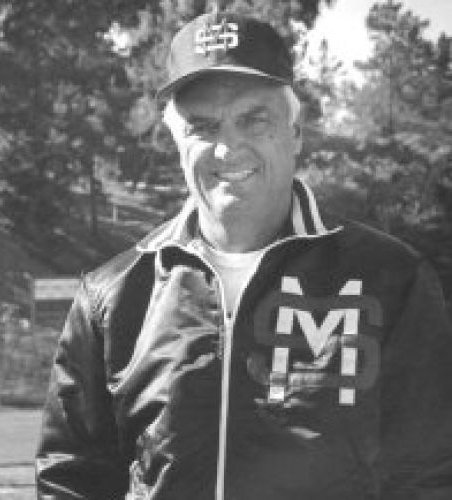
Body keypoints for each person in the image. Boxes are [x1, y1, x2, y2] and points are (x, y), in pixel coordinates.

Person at [35, 11, 452, 500]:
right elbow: (72, 477)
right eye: (202, 126)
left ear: (296, 134)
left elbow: (428, 473)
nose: (227, 147)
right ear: (176, 141)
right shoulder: (114, 293)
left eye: (255, 119)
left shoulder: (391, 277)